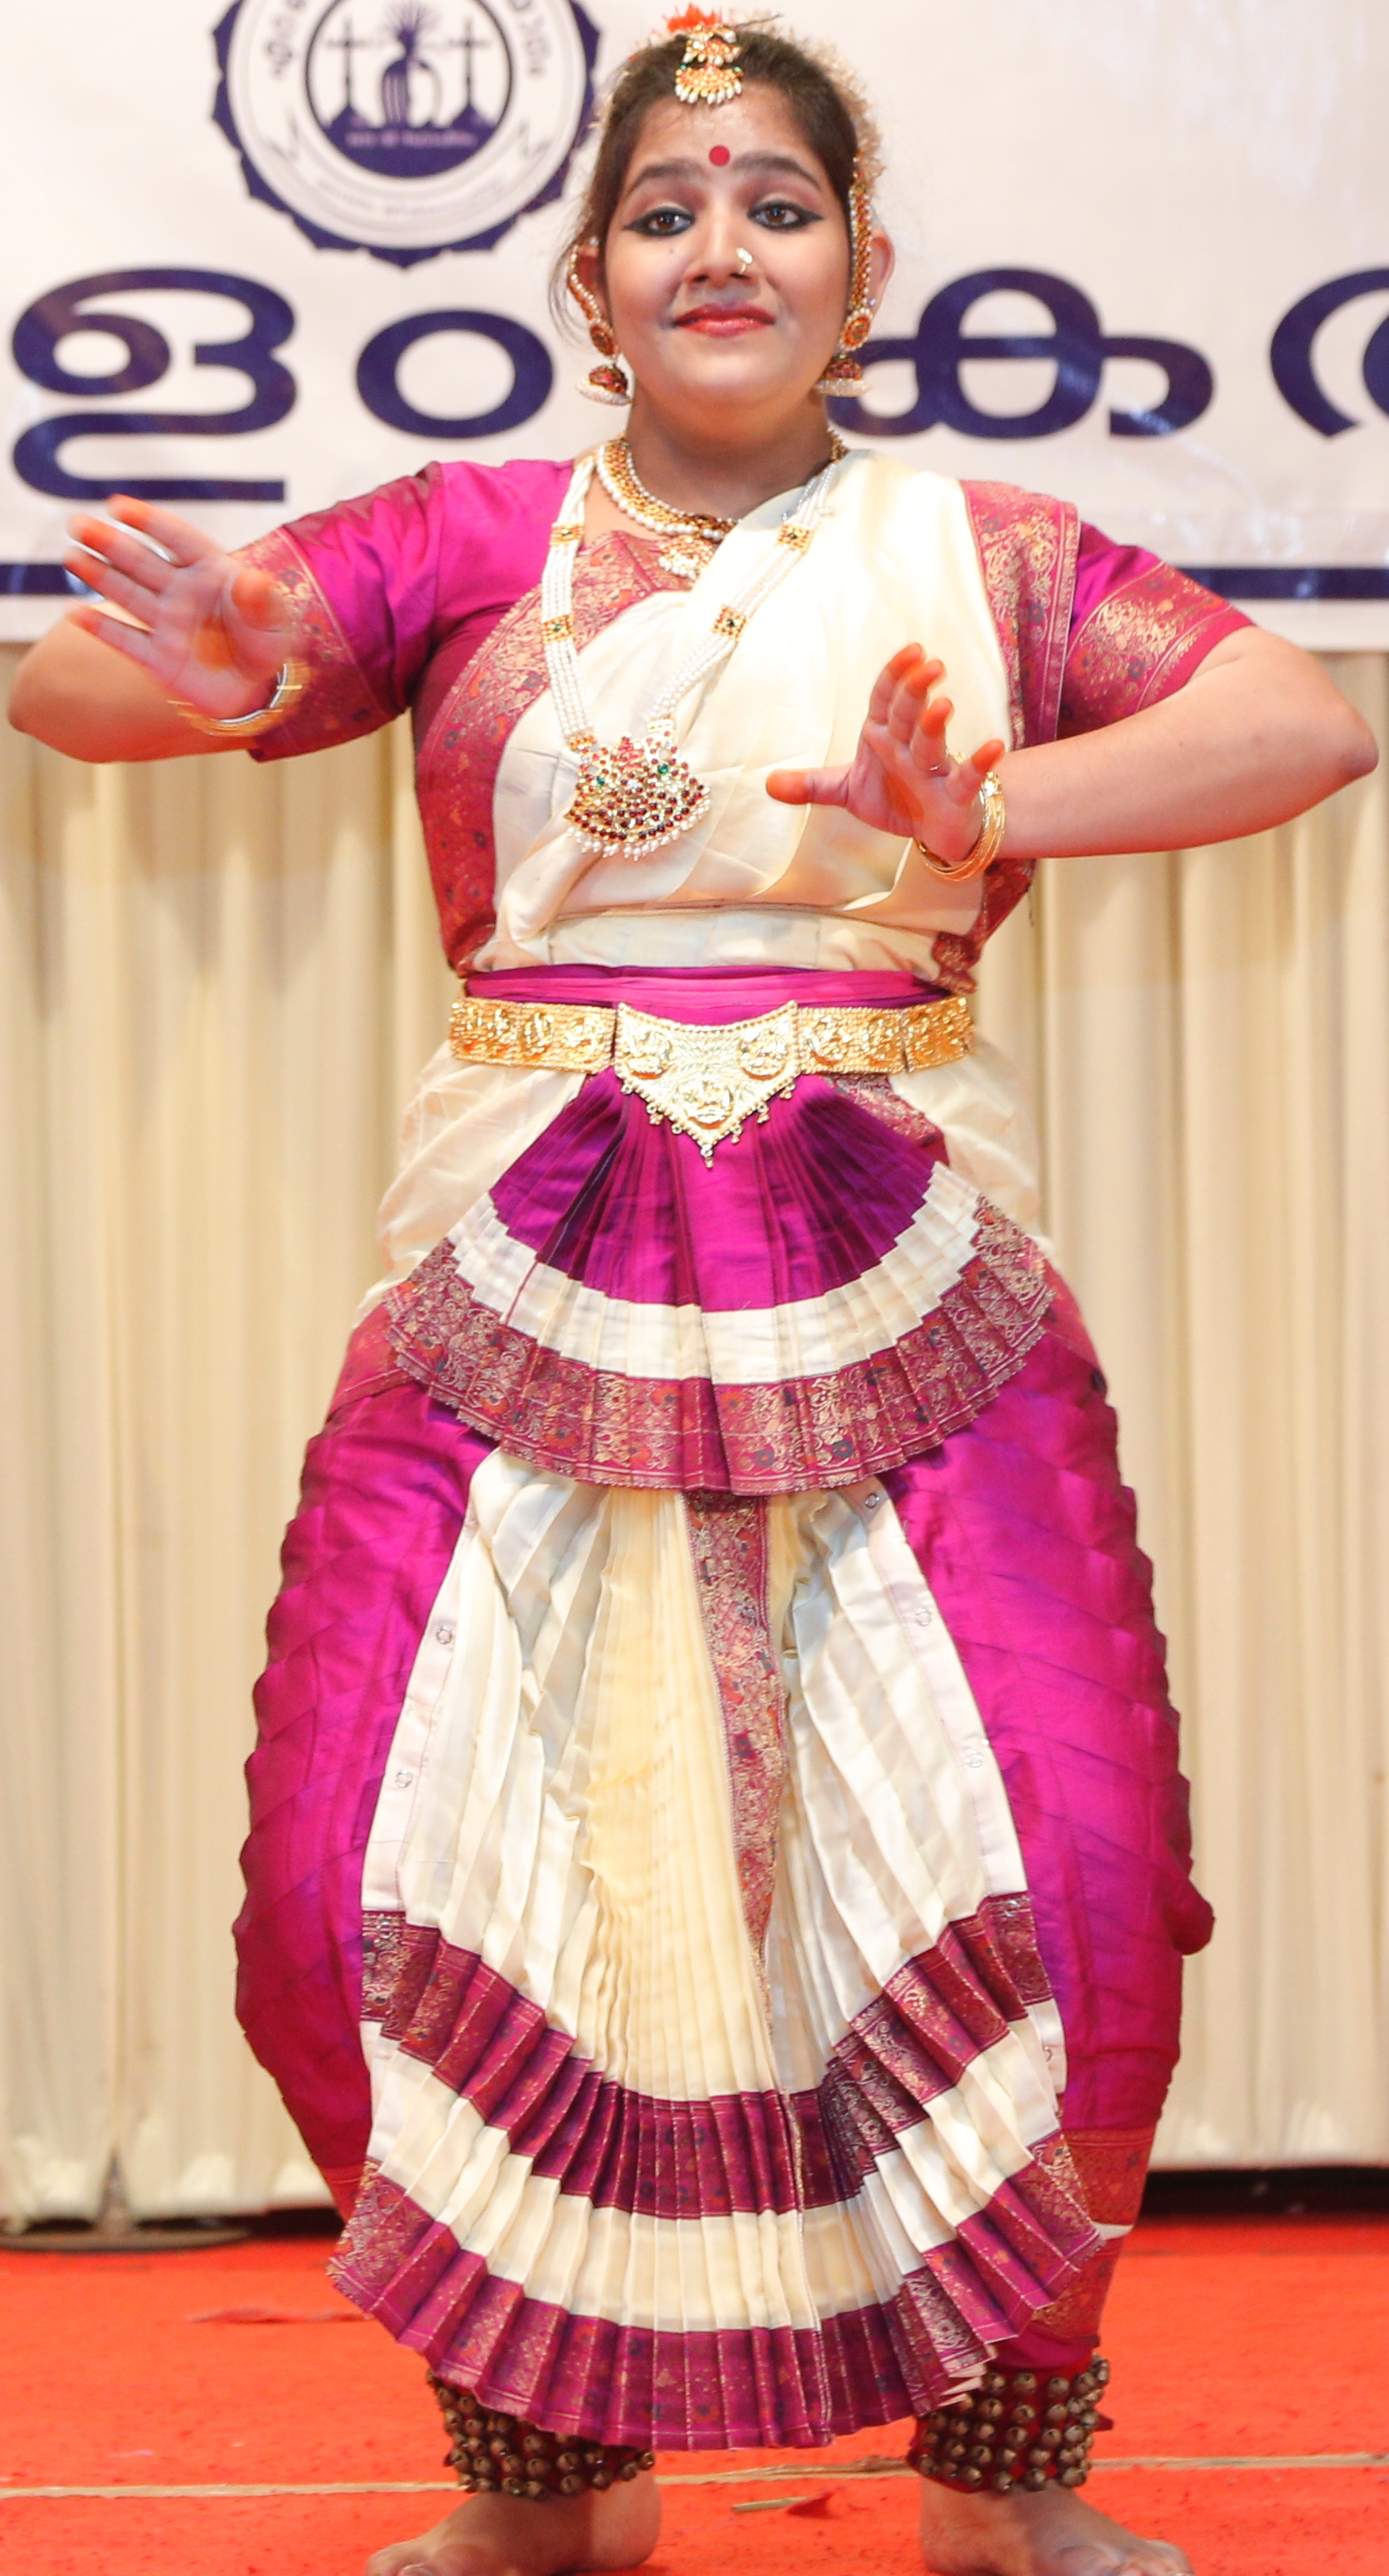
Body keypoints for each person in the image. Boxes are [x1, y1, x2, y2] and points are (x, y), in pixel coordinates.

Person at [10, 17, 1375, 2575]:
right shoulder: (469, 538)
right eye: (664, 211)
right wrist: (205, 673)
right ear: (591, 279)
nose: (718, 245)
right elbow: (75, 695)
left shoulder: (984, 553)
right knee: (363, 1868)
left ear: (864, 269)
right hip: (518, 1258)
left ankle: (1005, 2485)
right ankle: (546, 2483)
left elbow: (1299, 720)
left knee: (1062, 1865)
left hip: (907, 1259)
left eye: (774, 204)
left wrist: (997, 800)